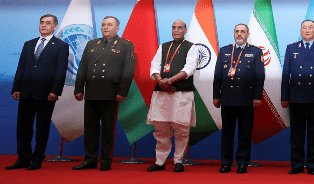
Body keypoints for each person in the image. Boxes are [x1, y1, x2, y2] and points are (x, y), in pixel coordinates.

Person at [73, 16, 136, 171]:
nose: (105, 27)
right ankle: (90, 160)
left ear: (117, 28)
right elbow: (83, 68)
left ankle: (106, 161)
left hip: (111, 92)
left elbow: (128, 70)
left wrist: (122, 90)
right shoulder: (92, 44)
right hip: (92, 91)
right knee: (90, 128)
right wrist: (79, 88)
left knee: (108, 129)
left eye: (109, 25)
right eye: (103, 25)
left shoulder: (125, 45)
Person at [7, 14, 69, 171]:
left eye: (48, 23)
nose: (44, 25)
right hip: (26, 92)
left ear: (55, 26)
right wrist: (16, 87)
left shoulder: (61, 46)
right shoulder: (29, 44)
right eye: (42, 22)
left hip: (46, 93)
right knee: (23, 128)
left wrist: (55, 90)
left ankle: (37, 159)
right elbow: (21, 67)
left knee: (42, 128)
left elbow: (61, 72)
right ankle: (22, 158)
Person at [145, 20, 199, 173]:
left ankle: (178, 161)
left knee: (182, 129)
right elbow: (154, 66)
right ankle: (160, 161)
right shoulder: (164, 46)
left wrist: (169, 81)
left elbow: (189, 69)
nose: (176, 30)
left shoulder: (191, 47)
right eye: (173, 27)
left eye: (179, 28)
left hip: (182, 94)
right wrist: (161, 81)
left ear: (185, 30)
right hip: (161, 93)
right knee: (161, 128)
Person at [281, 19, 314, 175]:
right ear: (300, 31)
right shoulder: (291, 48)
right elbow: (285, 75)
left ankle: (312, 164)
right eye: (304, 28)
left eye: (311, 28)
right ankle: (296, 164)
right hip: (296, 95)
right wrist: (284, 96)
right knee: (296, 133)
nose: (307, 30)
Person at [213, 24, 265, 174]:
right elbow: (217, 76)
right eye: (237, 31)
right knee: (227, 133)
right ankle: (226, 163)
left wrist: (257, 97)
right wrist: (216, 96)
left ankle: (242, 163)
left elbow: (259, 77)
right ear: (233, 33)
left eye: (243, 32)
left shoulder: (255, 51)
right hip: (227, 98)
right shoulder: (224, 51)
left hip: (246, 99)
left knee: (244, 133)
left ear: (248, 34)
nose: (239, 34)